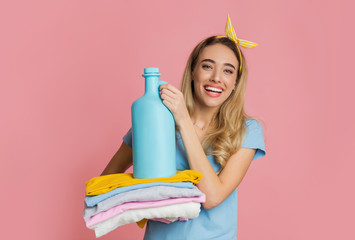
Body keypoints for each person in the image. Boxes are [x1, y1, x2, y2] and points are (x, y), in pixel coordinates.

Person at [101, 15, 266, 240]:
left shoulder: (247, 130)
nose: (217, 78)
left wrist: (183, 121)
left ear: (236, 82)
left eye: (228, 71)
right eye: (207, 66)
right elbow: (107, 181)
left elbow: (212, 197)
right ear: (192, 72)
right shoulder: (156, 120)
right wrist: (149, 199)